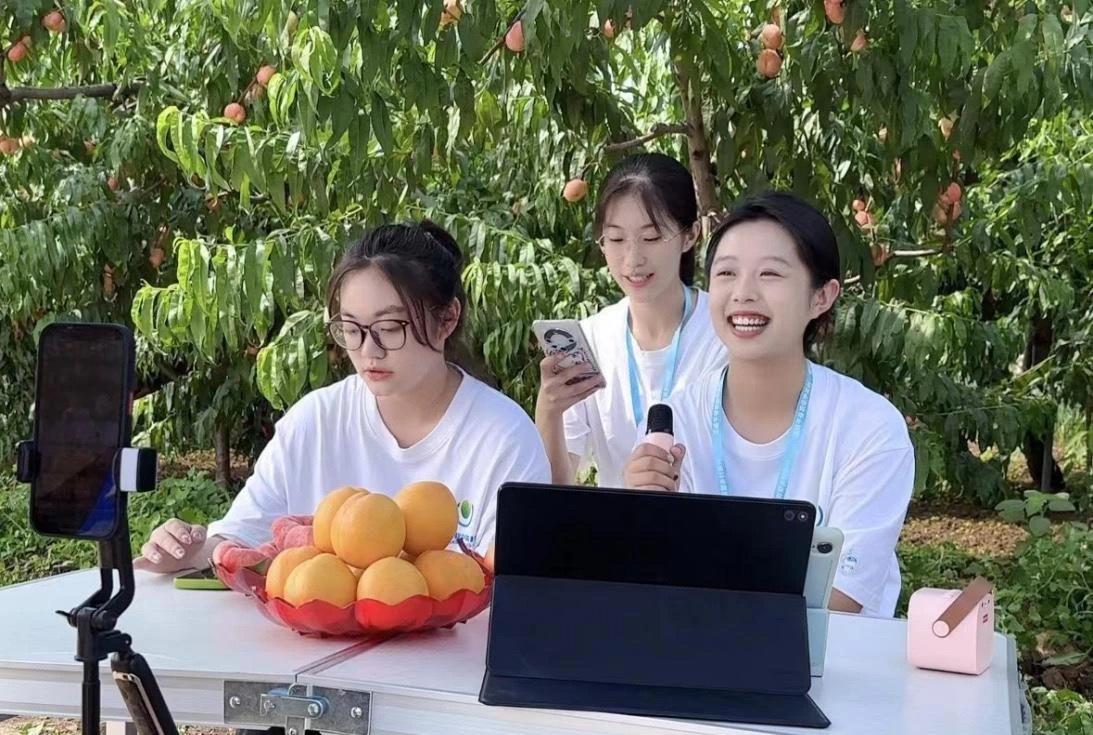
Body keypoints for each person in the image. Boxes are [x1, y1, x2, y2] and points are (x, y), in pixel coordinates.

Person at [138, 220, 550, 572]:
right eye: (351, 329)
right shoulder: (315, 422)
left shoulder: (503, 437)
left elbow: (514, 585)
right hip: (305, 644)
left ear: (447, 319)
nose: (368, 350)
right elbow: (240, 539)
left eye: (389, 328)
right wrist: (188, 551)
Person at [623, 191, 914, 617]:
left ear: (821, 297)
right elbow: (646, 589)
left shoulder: (868, 427)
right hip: (695, 649)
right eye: (727, 273)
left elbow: (840, 600)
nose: (743, 293)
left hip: (828, 656)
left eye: (770, 274)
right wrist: (637, 516)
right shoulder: (673, 423)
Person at [536, 153, 728, 488]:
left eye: (651, 238)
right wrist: (549, 413)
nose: (632, 259)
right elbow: (555, 490)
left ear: (690, 235)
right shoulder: (593, 341)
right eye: (616, 239)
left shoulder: (726, 333)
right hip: (617, 523)